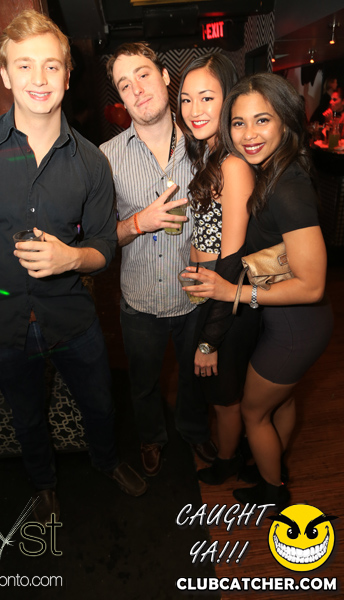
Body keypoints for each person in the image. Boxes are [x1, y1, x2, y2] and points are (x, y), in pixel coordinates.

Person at [0, 9, 147, 525]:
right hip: (1, 322)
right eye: (25, 65)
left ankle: (106, 461)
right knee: (26, 415)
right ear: (5, 74)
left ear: (67, 75)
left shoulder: (92, 162)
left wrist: (71, 257)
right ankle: (44, 484)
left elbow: (104, 246)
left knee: (100, 404)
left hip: (72, 319)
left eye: (52, 66)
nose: (39, 78)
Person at [182, 73, 334, 508]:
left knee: (253, 411)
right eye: (239, 122)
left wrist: (236, 293)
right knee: (279, 402)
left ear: (285, 121)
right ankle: (273, 464)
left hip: (296, 327)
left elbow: (313, 285)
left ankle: (273, 493)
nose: (248, 134)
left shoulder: (288, 188)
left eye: (262, 120)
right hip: (287, 322)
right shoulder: (275, 170)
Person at [100, 42, 216, 477]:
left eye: (143, 75)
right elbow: (98, 240)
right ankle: (151, 437)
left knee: (193, 377)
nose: (137, 89)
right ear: (120, 97)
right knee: (143, 382)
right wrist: (138, 223)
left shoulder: (204, 146)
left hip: (195, 294)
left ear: (166, 77)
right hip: (140, 298)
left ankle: (193, 430)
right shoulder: (106, 158)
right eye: (124, 84)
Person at [176, 54, 259, 485]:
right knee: (217, 391)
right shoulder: (210, 154)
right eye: (186, 99)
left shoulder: (232, 165)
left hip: (226, 300)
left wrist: (210, 339)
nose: (194, 109)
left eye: (207, 97)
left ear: (229, 99)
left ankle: (229, 462)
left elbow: (232, 258)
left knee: (225, 397)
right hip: (208, 293)